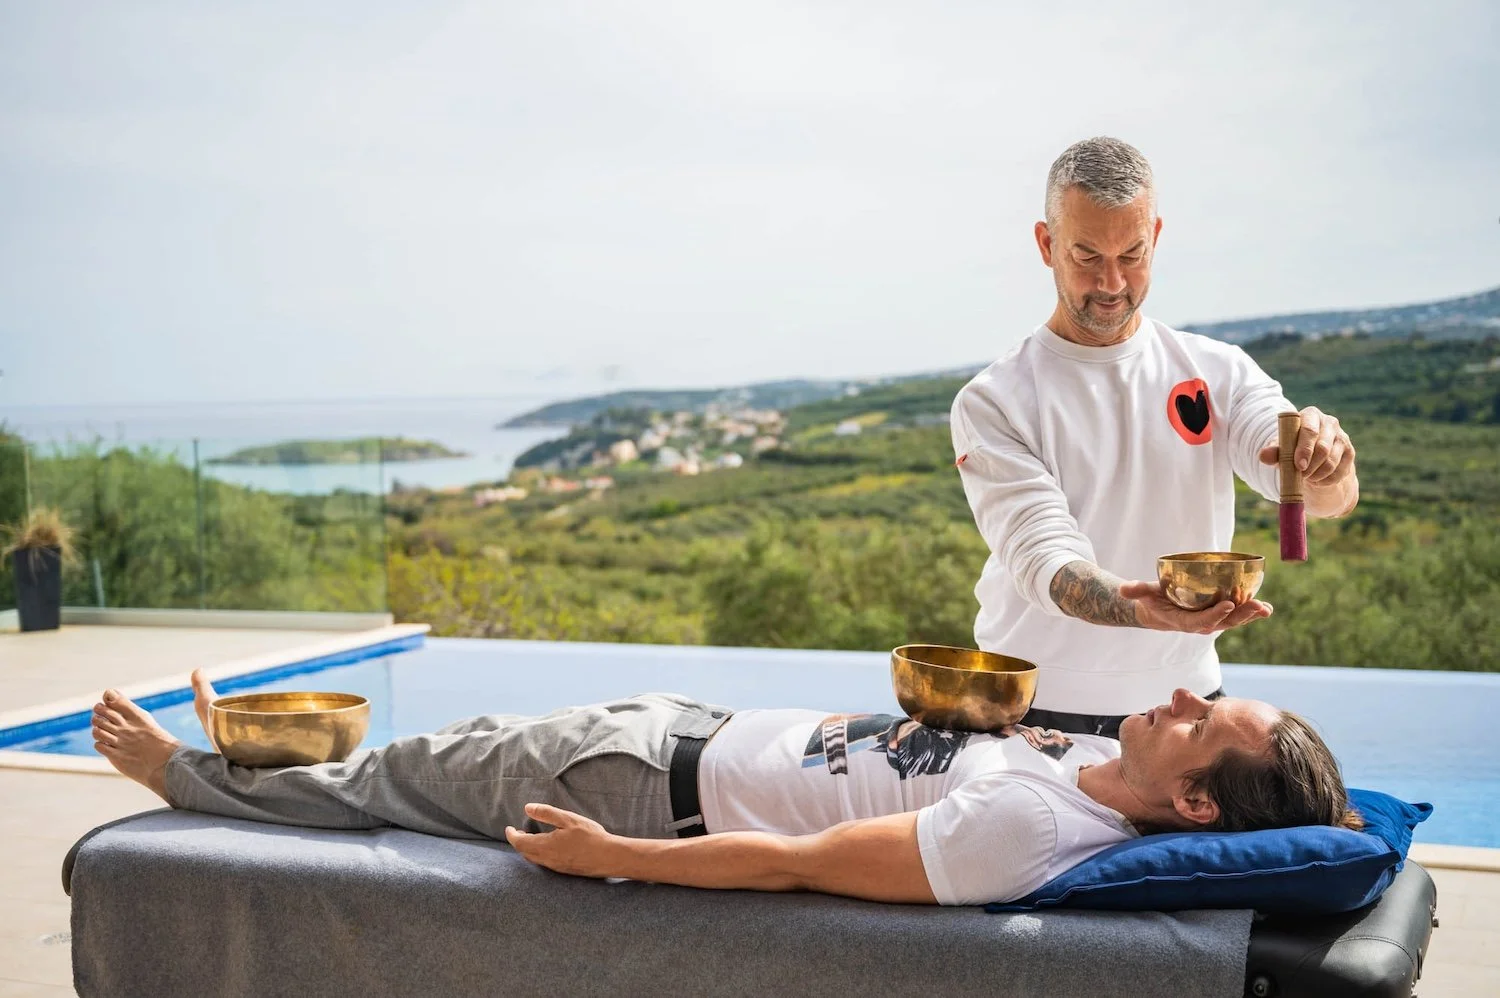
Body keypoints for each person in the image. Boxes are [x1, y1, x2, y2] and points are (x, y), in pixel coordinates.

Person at [90, 670, 1361, 907]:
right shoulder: (1082, 775)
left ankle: (191, 774)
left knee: (400, 779)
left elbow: (806, 863)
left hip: (644, 794)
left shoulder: (1025, 833)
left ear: (1196, 804)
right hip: (678, 730)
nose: (1186, 696)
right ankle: (261, 748)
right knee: (436, 753)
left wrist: (615, 858)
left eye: (1206, 717)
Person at [950, 137, 1361, 737]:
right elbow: (1045, 559)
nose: (1112, 282)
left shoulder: (1221, 371)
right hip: (1032, 704)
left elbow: (1313, 493)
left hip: (1188, 707)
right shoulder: (996, 399)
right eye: (1087, 255)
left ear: (1157, 237)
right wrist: (1141, 608)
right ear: (1046, 245)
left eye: (1132, 254)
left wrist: (1328, 467)